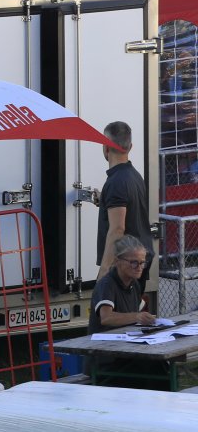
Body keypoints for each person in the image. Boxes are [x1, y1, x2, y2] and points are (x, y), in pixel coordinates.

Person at [95, 121, 153, 289]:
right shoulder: (134, 176)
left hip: (124, 265)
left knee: (115, 308)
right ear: (130, 147)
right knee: (131, 306)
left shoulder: (116, 182)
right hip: (137, 260)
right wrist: (104, 200)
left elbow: (117, 229)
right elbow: (129, 209)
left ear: (106, 147)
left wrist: (104, 272)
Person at [90, 236, 156, 332]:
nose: (139, 267)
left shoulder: (135, 284)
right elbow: (106, 318)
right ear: (117, 261)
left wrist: (146, 319)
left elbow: (137, 313)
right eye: (134, 262)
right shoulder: (107, 284)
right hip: (105, 339)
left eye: (142, 263)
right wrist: (137, 317)